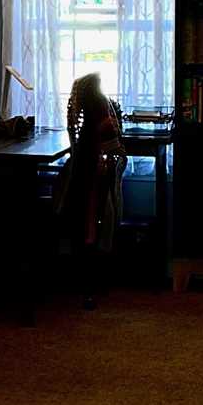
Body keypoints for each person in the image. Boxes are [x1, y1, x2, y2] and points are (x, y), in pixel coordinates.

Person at [55, 73, 127, 308]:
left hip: (86, 179)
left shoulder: (88, 115)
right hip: (93, 181)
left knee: (65, 199)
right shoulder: (102, 107)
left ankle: (73, 271)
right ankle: (90, 278)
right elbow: (116, 149)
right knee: (88, 219)